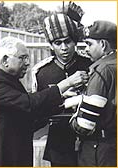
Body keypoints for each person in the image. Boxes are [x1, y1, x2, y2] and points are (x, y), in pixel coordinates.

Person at [0, 36, 89, 166]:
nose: (27, 63)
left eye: (27, 58)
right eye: (22, 58)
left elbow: (31, 117)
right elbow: (29, 104)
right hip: (1, 158)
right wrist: (66, 84)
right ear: (5, 60)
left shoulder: (10, 82)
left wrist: (64, 100)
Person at [32, 13, 92, 166]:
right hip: (59, 141)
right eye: (58, 43)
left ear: (75, 42)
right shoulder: (41, 72)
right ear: (51, 46)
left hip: (90, 138)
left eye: (68, 41)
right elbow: (38, 110)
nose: (64, 48)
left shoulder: (90, 65)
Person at [68, 20, 117, 166]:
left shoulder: (102, 70)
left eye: (89, 44)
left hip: (100, 148)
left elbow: (85, 125)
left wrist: (74, 116)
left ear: (103, 44)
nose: (86, 49)